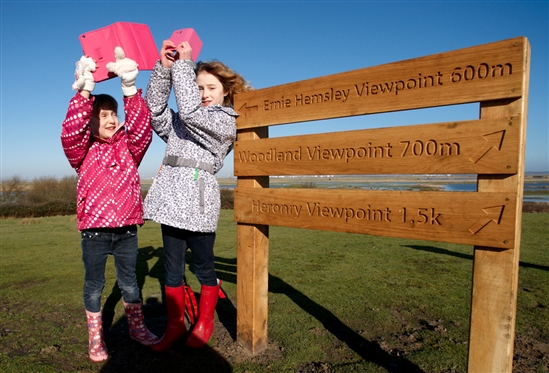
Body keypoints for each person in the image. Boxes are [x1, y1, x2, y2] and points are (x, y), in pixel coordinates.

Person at [143, 40, 252, 351]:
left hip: (199, 203)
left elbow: (191, 112)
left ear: (226, 92)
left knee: (204, 266)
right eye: (199, 87)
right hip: (169, 201)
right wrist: (165, 69)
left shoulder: (224, 122)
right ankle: (175, 325)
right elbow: (155, 110)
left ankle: (204, 323)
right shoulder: (182, 122)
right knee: (172, 267)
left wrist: (185, 67)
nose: (204, 93)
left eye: (211, 88)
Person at [61, 48, 156, 362]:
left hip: (127, 230)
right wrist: (85, 91)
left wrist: (129, 89)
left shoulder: (130, 148)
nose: (112, 119)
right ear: (92, 121)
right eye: (103, 115)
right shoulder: (82, 152)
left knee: (130, 283)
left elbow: (142, 129)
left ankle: (137, 329)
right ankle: (96, 339)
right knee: (94, 287)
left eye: (114, 113)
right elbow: (70, 133)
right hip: (95, 233)